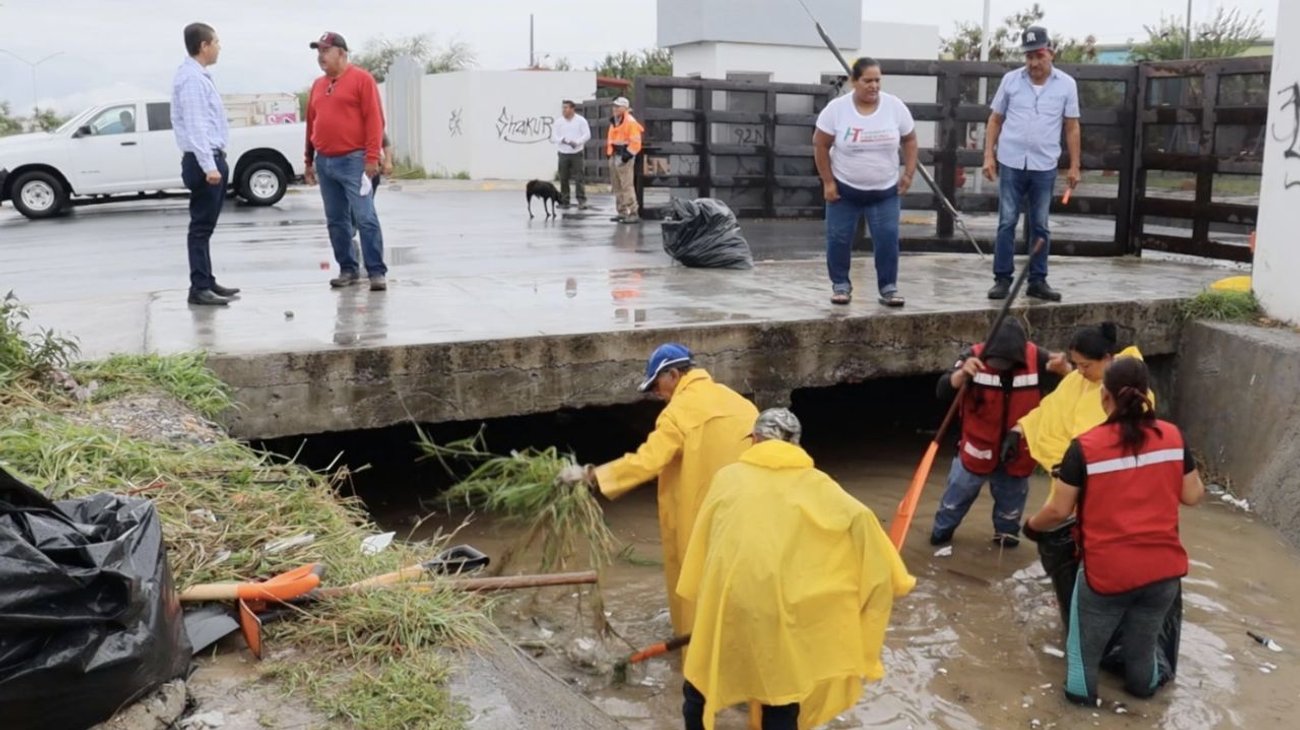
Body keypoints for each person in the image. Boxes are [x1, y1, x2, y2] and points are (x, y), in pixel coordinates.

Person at [677, 408, 916, 730]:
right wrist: (895, 578)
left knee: (702, 680)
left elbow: (703, 541)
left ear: (756, 439)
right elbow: (862, 520)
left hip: (727, 600)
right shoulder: (820, 485)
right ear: (797, 445)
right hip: (781, 607)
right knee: (780, 692)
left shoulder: (727, 477)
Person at [1025, 357, 1204, 705]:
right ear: (1146, 393)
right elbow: (1192, 495)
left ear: (1104, 396)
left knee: (1082, 659)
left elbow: (1059, 510)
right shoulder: (1173, 436)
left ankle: (1077, 715)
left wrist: (1031, 527)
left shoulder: (1085, 447)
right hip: (1163, 574)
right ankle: (1144, 705)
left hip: (1106, 575)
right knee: (1143, 651)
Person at [561, 343, 758, 638]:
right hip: (745, 517)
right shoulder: (742, 406)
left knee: (694, 591)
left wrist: (592, 475)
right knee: (739, 588)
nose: (656, 393)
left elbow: (647, 462)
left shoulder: (676, 414)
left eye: (656, 385)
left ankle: (692, 654)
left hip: (699, 521)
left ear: (674, 375)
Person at [930, 318, 1071, 548]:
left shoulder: (1040, 360)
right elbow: (942, 390)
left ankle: (1005, 541)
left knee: (1009, 518)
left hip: (1016, 453)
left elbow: (1072, 391)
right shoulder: (972, 357)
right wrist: (962, 374)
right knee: (952, 506)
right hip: (975, 451)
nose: (1002, 367)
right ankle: (940, 535)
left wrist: (1065, 370)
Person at [983, 25, 1082, 303]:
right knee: (1006, 221)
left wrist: (1075, 165)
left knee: (1040, 224)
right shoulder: (1011, 81)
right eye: (1029, 57)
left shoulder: (1066, 85)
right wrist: (989, 155)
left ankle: (1037, 280)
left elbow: (1072, 126)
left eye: (1039, 55)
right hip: (1012, 160)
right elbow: (995, 119)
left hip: (1044, 164)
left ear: (1051, 52)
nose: (1034, 63)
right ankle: (1002, 279)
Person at [814, 57, 918, 308]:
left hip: (884, 191)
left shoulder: (895, 107)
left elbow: (910, 139)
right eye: (867, 81)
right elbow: (820, 144)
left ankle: (888, 287)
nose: (874, 86)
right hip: (844, 190)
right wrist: (828, 181)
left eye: (877, 81)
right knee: (838, 238)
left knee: (887, 238)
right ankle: (840, 284)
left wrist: (908, 173)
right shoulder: (836, 110)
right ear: (854, 81)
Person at [303, 31, 389, 291]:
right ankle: (347, 268)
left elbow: (375, 120)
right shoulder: (318, 85)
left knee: (365, 217)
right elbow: (312, 124)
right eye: (318, 51)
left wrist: (372, 157)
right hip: (325, 161)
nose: (321, 56)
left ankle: (376, 271)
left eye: (325, 51)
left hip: (354, 161)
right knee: (336, 220)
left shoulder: (362, 79)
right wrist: (308, 159)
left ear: (341, 52)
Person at [171, 22, 239, 307]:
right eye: (216, 42)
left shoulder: (198, 76)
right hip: (204, 161)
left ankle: (207, 281)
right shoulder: (192, 80)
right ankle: (199, 287)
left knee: (205, 227)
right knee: (200, 227)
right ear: (204, 46)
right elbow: (196, 126)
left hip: (210, 157)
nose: (219, 47)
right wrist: (209, 165)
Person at [605, 96, 643, 224]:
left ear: (625, 108)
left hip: (624, 156)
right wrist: (609, 153)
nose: (614, 108)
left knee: (626, 186)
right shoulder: (614, 121)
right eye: (614, 106)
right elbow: (611, 139)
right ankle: (621, 211)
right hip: (615, 155)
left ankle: (633, 212)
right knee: (617, 186)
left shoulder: (630, 122)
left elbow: (636, 142)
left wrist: (627, 155)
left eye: (617, 106)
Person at [551, 100, 591, 209]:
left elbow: (587, 135)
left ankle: (581, 200)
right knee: (563, 177)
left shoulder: (580, 121)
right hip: (563, 152)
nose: (564, 110)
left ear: (572, 109)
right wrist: (562, 140)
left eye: (566, 108)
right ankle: (565, 200)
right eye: (563, 108)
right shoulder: (559, 122)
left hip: (576, 152)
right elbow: (553, 136)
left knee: (579, 177)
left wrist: (577, 142)